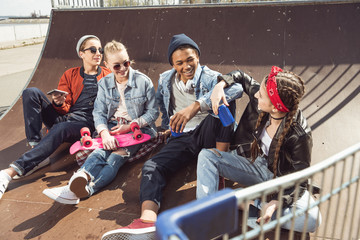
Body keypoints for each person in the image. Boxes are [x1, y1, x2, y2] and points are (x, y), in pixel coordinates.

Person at [101, 34, 242, 240]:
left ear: (198, 57)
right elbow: (158, 106)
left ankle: (220, 166)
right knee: (152, 167)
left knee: (221, 107)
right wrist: (164, 127)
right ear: (173, 64)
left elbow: (237, 89)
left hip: (210, 131)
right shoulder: (166, 79)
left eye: (190, 59)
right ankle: (148, 221)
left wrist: (197, 105)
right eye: (180, 62)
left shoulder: (211, 76)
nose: (186, 66)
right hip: (183, 136)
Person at [196, 66, 321, 232]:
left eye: (261, 95)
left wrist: (275, 203)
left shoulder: (300, 135)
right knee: (207, 157)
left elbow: (300, 180)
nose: (255, 95)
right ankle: (204, 216)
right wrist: (220, 86)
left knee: (312, 220)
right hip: (254, 164)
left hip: (281, 181)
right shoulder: (261, 100)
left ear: (275, 107)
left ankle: (242, 201)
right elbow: (241, 76)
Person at [42, 40, 159, 204]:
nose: (123, 69)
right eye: (117, 66)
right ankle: (80, 178)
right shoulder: (104, 83)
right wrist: (104, 133)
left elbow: (153, 112)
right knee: (99, 153)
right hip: (112, 126)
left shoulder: (143, 81)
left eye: (126, 63)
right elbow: (99, 113)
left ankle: (88, 189)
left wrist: (131, 126)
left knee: (115, 158)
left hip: (137, 129)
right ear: (108, 65)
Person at [0, 35, 111, 200]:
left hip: (86, 125)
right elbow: (64, 108)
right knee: (31, 92)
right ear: (82, 54)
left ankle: (9, 172)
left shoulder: (108, 75)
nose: (98, 53)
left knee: (61, 128)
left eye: (100, 50)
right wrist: (58, 103)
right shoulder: (70, 74)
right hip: (66, 117)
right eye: (93, 50)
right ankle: (36, 147)